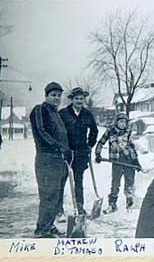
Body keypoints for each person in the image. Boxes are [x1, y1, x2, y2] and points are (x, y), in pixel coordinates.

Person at [29, 82, 70, 238]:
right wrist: (57, 146)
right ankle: (41, 230)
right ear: (46, 96)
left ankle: (49, 225)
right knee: (48, 195)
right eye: (53, 95)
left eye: (59, 95)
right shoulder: (39, 110)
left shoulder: (56, 113)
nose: (57, 98)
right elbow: (40, 131)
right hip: (46, 159)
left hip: (58, 160)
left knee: (56, 195)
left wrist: (67, 150)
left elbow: (62, 135)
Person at [56, 87, 99, 221]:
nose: (79, 101)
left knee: (78, 181)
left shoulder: (87, 114)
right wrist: (62, 148)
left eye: (81, 99)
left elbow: (94, 131)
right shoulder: (63, 113)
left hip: (81, 153)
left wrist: (89, 145)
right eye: (77, 99)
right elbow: (57, 131)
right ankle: (59, 210)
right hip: (67, 153)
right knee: (61, 181)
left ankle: (80, 207)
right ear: (72, 99)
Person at [95, 112, 141, 213]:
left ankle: (130, 203)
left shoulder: (128, 132)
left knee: (129, 181)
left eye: (125, 122)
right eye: (121, 121)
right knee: (115, 183)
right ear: (116, 122)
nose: (123, 124)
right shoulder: (110, 131)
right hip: (117, 160)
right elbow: (101, 142)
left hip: (129, 160)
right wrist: (98, 154)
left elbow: (132, 147)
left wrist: (136, 161)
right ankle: (112, 204)